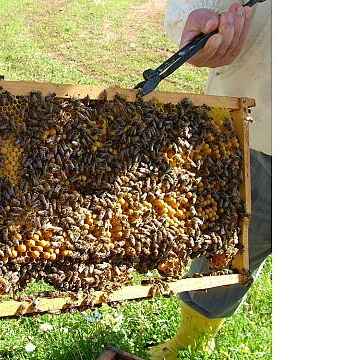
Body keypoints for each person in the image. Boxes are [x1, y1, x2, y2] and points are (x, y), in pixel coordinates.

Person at [148, 1, 271, 359]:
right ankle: (193, 339)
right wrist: (194, 17)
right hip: (259, 128)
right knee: (227, 244)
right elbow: (194, 6)